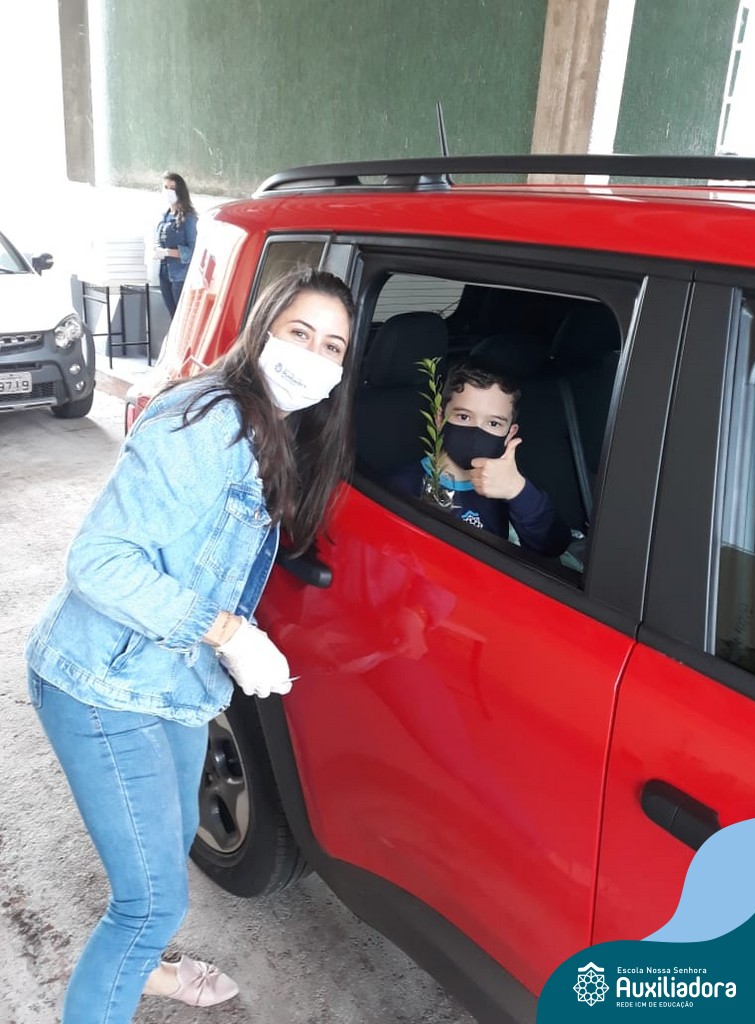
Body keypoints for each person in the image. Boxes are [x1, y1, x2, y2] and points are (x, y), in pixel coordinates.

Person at [24, 266, 356, 1024]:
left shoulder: (279, 427)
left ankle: (143, 964)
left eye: (332, 347)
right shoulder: (207, 421)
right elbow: (98, 562)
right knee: (148, 903)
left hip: (172, 684)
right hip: (99, 683)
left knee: (165, 849)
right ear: (264, 329)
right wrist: (230, 633)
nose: (312, 356)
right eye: (299, 333)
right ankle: (133, 959)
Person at [393, 361, 571, 557]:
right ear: (440, 419)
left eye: (493, 423)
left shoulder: (506, 485)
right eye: (463, 417)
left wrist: (517, 491)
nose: (476, 433)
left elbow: (554, 545)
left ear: (510, 434)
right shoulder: (405, 486)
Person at [154, 171, 198, 317]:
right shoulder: (164, 216)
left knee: (182, 317)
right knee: (173, 316)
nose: (168, 191)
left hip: (180, 276)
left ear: (180, 191)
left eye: (172, 188)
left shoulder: (189, 218)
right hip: (164, 273)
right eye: (165, 187)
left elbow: (192, 251)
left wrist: (168, 252)